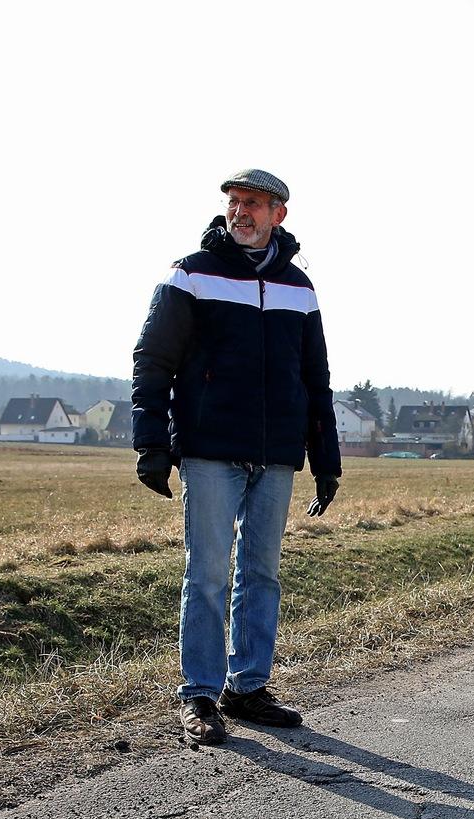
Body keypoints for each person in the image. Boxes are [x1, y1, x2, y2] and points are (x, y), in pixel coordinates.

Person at [132, 168, 342, 747]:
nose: (240, 212)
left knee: (262, 572)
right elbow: (152, 359)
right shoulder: (192, 274)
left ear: (279, 214)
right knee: (206, 572)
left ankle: (246, 686)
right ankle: (199, 692)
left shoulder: (299, 287)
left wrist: (326, 459)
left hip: (275, 455)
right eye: (233, 202)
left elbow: (315, 379)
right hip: (209, 450)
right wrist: (151, 443)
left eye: (252, 203)